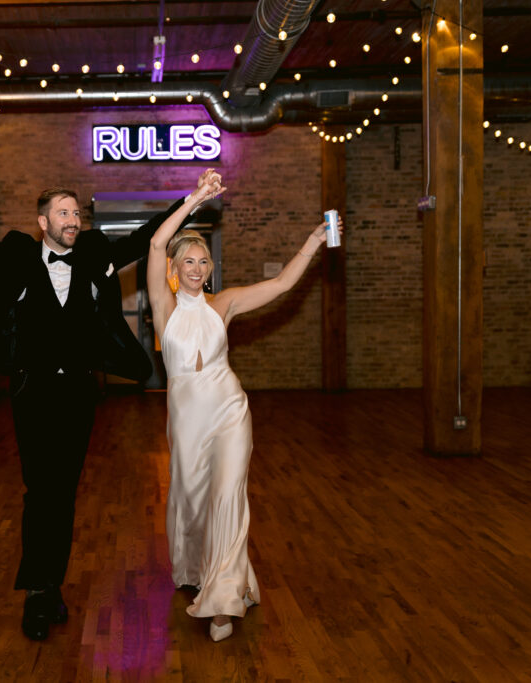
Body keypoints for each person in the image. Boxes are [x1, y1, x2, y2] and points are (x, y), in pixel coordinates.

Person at [0, 168, 211, 641]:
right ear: (43, 221)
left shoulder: (97, 252)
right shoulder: (17, 253)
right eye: (63, 213)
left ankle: (50, 583)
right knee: (41, 489)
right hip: (31, 391)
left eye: (76, 213)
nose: (73, 220)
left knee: (63, 489)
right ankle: (38, 592)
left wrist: (194, 199)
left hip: (79, 392)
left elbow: (146, 237)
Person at [146, 169, 340, 642]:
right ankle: (194, 569)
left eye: (203, 261)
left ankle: (223, 600)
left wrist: (314, 241)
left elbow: (279, 286)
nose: (197, 268)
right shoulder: (163, 305)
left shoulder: (224, 304)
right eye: (188, 262)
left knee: (229, 497)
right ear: (175, 269)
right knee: (190, 499)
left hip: (229, 409)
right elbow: (155, 244)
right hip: (187, 416)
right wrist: (195, 199)